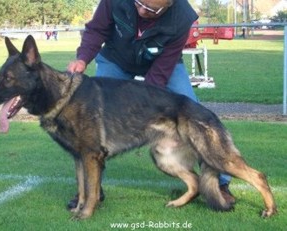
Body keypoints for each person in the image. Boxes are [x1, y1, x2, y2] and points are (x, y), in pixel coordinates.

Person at [67, 0, 234, 207]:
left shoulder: (182, 16)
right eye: (138, 3)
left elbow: (158, 76)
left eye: (152, 10)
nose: (141, 10)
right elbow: (96, 30)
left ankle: (221, 183)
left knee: (195, 116)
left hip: (162, 63)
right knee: (96, 120)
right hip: (115, 60)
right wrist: (82, 58)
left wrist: (140, 122)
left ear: (169, 5)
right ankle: (92, 189)